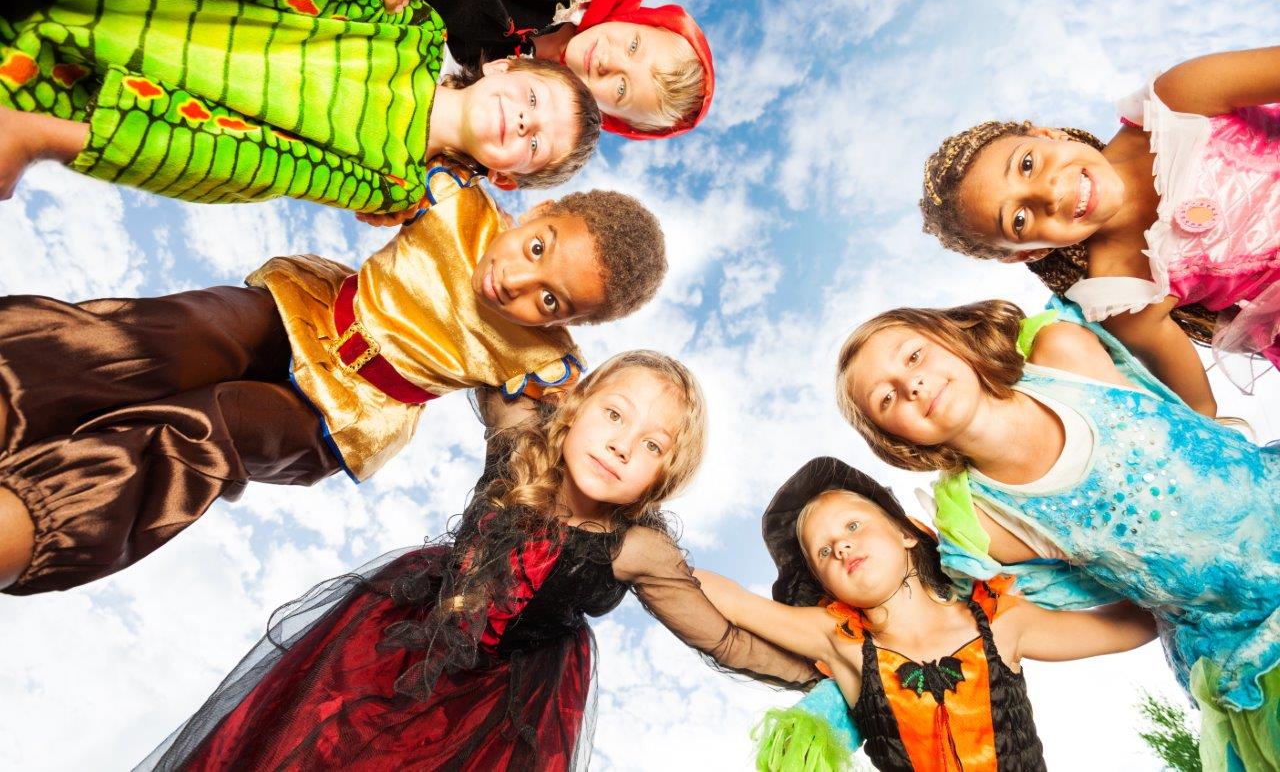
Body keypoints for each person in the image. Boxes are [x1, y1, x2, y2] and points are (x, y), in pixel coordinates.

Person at [136, 351, 821, 770]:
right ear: (576, 407)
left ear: (664, 475)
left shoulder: (637, 548)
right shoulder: (521, 441)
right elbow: (492, 353)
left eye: (651, 445)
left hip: (500, 710)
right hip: (399, 644)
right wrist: (541, 360)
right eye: (614, 414)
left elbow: (724, 636)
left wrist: (825, 675)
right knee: (313, 749)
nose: (622, 444)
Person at [0, 174, 667, 594]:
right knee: (177, 336)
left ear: (571, 326)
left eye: (551, 302)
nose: (519, 284)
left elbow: (572, 427)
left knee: (213, 429)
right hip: (306, 311)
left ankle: (28, 525)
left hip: (341, 412)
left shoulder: (543, 361)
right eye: (538, 248)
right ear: (537, 211)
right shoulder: (456, 202)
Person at [835, 297, 1280, 769]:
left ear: (951, 337)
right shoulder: (986, 522)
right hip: (1247, 642)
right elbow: (992, 622)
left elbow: (1192, 402)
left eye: (914, 355)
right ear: (898, 442)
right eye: (886, 398)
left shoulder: (1062, 352)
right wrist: (1170, 604)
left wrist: (1210, 421)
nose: (912, 384)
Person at [0, 0, 600, 211]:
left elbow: (236, 160)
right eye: (534, 102)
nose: (524, 124)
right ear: (503, 68)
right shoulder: (417, 23)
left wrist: (43, 139)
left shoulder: (390, 182)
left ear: (507, 176)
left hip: (88, 94)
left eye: (535, 145)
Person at [693, 456, 1154, 771]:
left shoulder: (1001, 622)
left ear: (909, 533)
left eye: (853, 525)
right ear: (825, 586)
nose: (842, 546)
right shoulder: (840, 642)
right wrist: (633, 543)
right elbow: (730, 599)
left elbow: (1128, 625)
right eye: (825, 551)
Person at [918, 46, 1280, 412]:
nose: (1050, 193)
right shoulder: (1125, 294)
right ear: (1031, 252)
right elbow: (1201, 412)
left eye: (1027, 164)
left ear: (1049, 134)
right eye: (1019, 220)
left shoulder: (1178, 101)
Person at [293, 0, 715, 138]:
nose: (610, 61)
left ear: (607, 116)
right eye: (635, 46)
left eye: (622, 89)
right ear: (635, 18)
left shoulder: (506, 78)